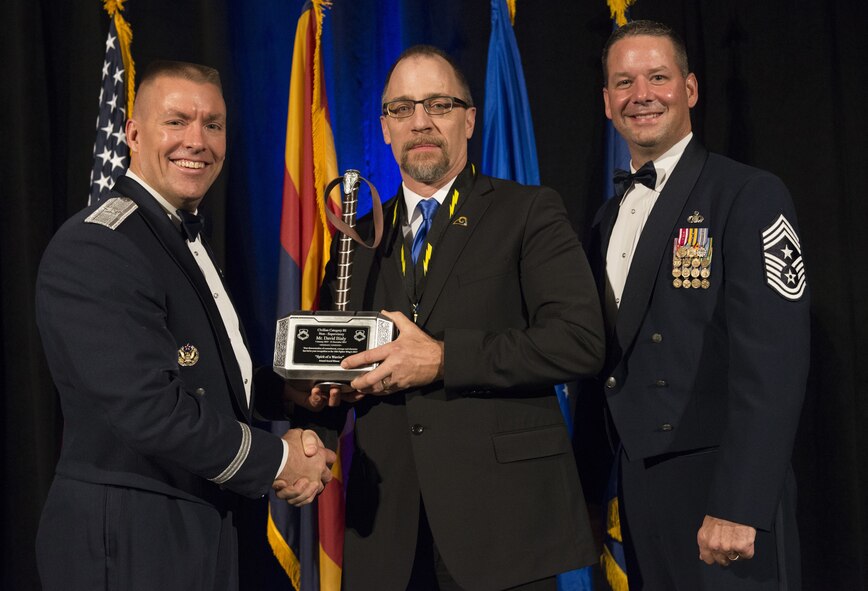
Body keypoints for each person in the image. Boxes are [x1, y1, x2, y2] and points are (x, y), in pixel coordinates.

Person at [293, 45, 605, 590]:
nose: (421, 122)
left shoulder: (528, 211)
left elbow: (578, 342)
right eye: (402, 109)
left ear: (469, 120)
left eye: (439, 104)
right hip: (388, 534)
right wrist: (313, 427)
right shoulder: (357, 239)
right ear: (385, 128)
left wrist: (442, 358)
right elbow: (335, 362)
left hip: (502, 530)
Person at [35, 61, 335, 591]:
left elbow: (205, 373)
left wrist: (284, 393)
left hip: (199, 517)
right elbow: (150, 408)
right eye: (176, 121)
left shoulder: (177, 235)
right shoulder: (99, 244)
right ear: (132, 132)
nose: (196, 141)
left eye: (213, 124)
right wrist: (279, 460)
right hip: (131, 533)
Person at [586, 20, 809, 589]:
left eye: (657, 77)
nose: (641, 95)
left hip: (723, 489)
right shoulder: (606, 219)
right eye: (624, 82)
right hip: (639, 489)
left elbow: (774, 365)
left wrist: (741, 502)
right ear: (607, 100)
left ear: (689, 90)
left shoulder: (748, 194)